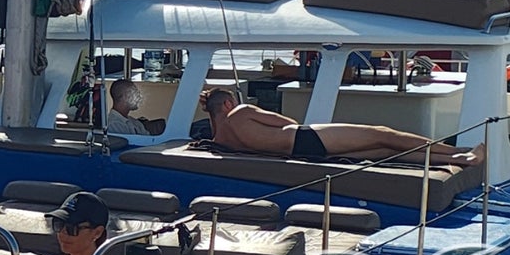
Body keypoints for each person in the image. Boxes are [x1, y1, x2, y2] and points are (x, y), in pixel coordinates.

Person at [201, 84, 479, 168]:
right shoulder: (241, 112)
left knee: (382, 152)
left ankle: (456, 159)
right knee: (383, 134)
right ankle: (456, 152)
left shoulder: (220, 139)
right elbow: (289, 123)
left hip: (301, 154)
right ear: (227, 104)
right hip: (303, 139)